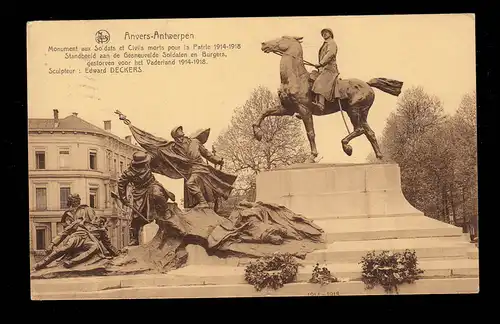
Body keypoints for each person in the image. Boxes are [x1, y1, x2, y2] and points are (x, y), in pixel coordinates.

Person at [32, 203, 119, 270]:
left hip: (87, 242)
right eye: (99, 219)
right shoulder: (78, 223)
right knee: (64, 248)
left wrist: (117, 253)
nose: (100, 222)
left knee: (95, 246)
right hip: (76, 237)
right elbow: (64, 233)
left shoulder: (101, 231)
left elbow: (108, 245)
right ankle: (41, 264)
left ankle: (71, 262)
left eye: (102, 221)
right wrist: (52, 244)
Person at [117, 151, 176, 246]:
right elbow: (121, 184)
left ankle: (166, 210)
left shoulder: (147, 163)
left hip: (152, 184)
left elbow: (156, 156)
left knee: (157, 194)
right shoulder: (129, 173)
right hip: (139, 192)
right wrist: (123, 198)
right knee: (136, 216)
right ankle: (134, 238)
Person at [170, 126, 226, 209]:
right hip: (189, 171)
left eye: (180, 137)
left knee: (191, 184)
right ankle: (199, 204)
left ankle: (203, 202)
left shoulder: (195, 142)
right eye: (176, 139)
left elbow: (206, 153)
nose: (178, 140)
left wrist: (217, 160)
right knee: (190, 188)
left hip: (200, 168)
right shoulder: (176, 148)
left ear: (183, 135)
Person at [312, 28, 340, 112]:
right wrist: (320, 66)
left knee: (320, 81)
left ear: (330, 34)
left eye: (326, 32)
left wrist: (321, 63)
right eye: (323, 33)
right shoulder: (325, 44)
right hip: (323, 69)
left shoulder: (332, 43)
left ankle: (321, 104)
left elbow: (330, 54)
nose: (324, 34)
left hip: (330, 69)